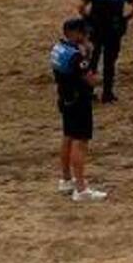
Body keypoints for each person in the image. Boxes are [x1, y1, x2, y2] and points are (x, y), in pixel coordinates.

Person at [52, 18, 107, 202]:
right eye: (84, 33)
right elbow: (91, 80)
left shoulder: (58, 48)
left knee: (68, 136)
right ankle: (81, 189)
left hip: (65, 98)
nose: (86, 37)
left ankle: (67, 179)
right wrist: (91, 60)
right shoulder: (76, 56)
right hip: (79, 101)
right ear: (75, 33)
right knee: (80, 141)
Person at [78, 0, 133, 103]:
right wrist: (126, 18)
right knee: (110, 61)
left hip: (96, 26)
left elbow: (81, 7)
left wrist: (88, 18)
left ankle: (89, 91)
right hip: (114, 27)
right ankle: (107, 94)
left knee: (92, 59)